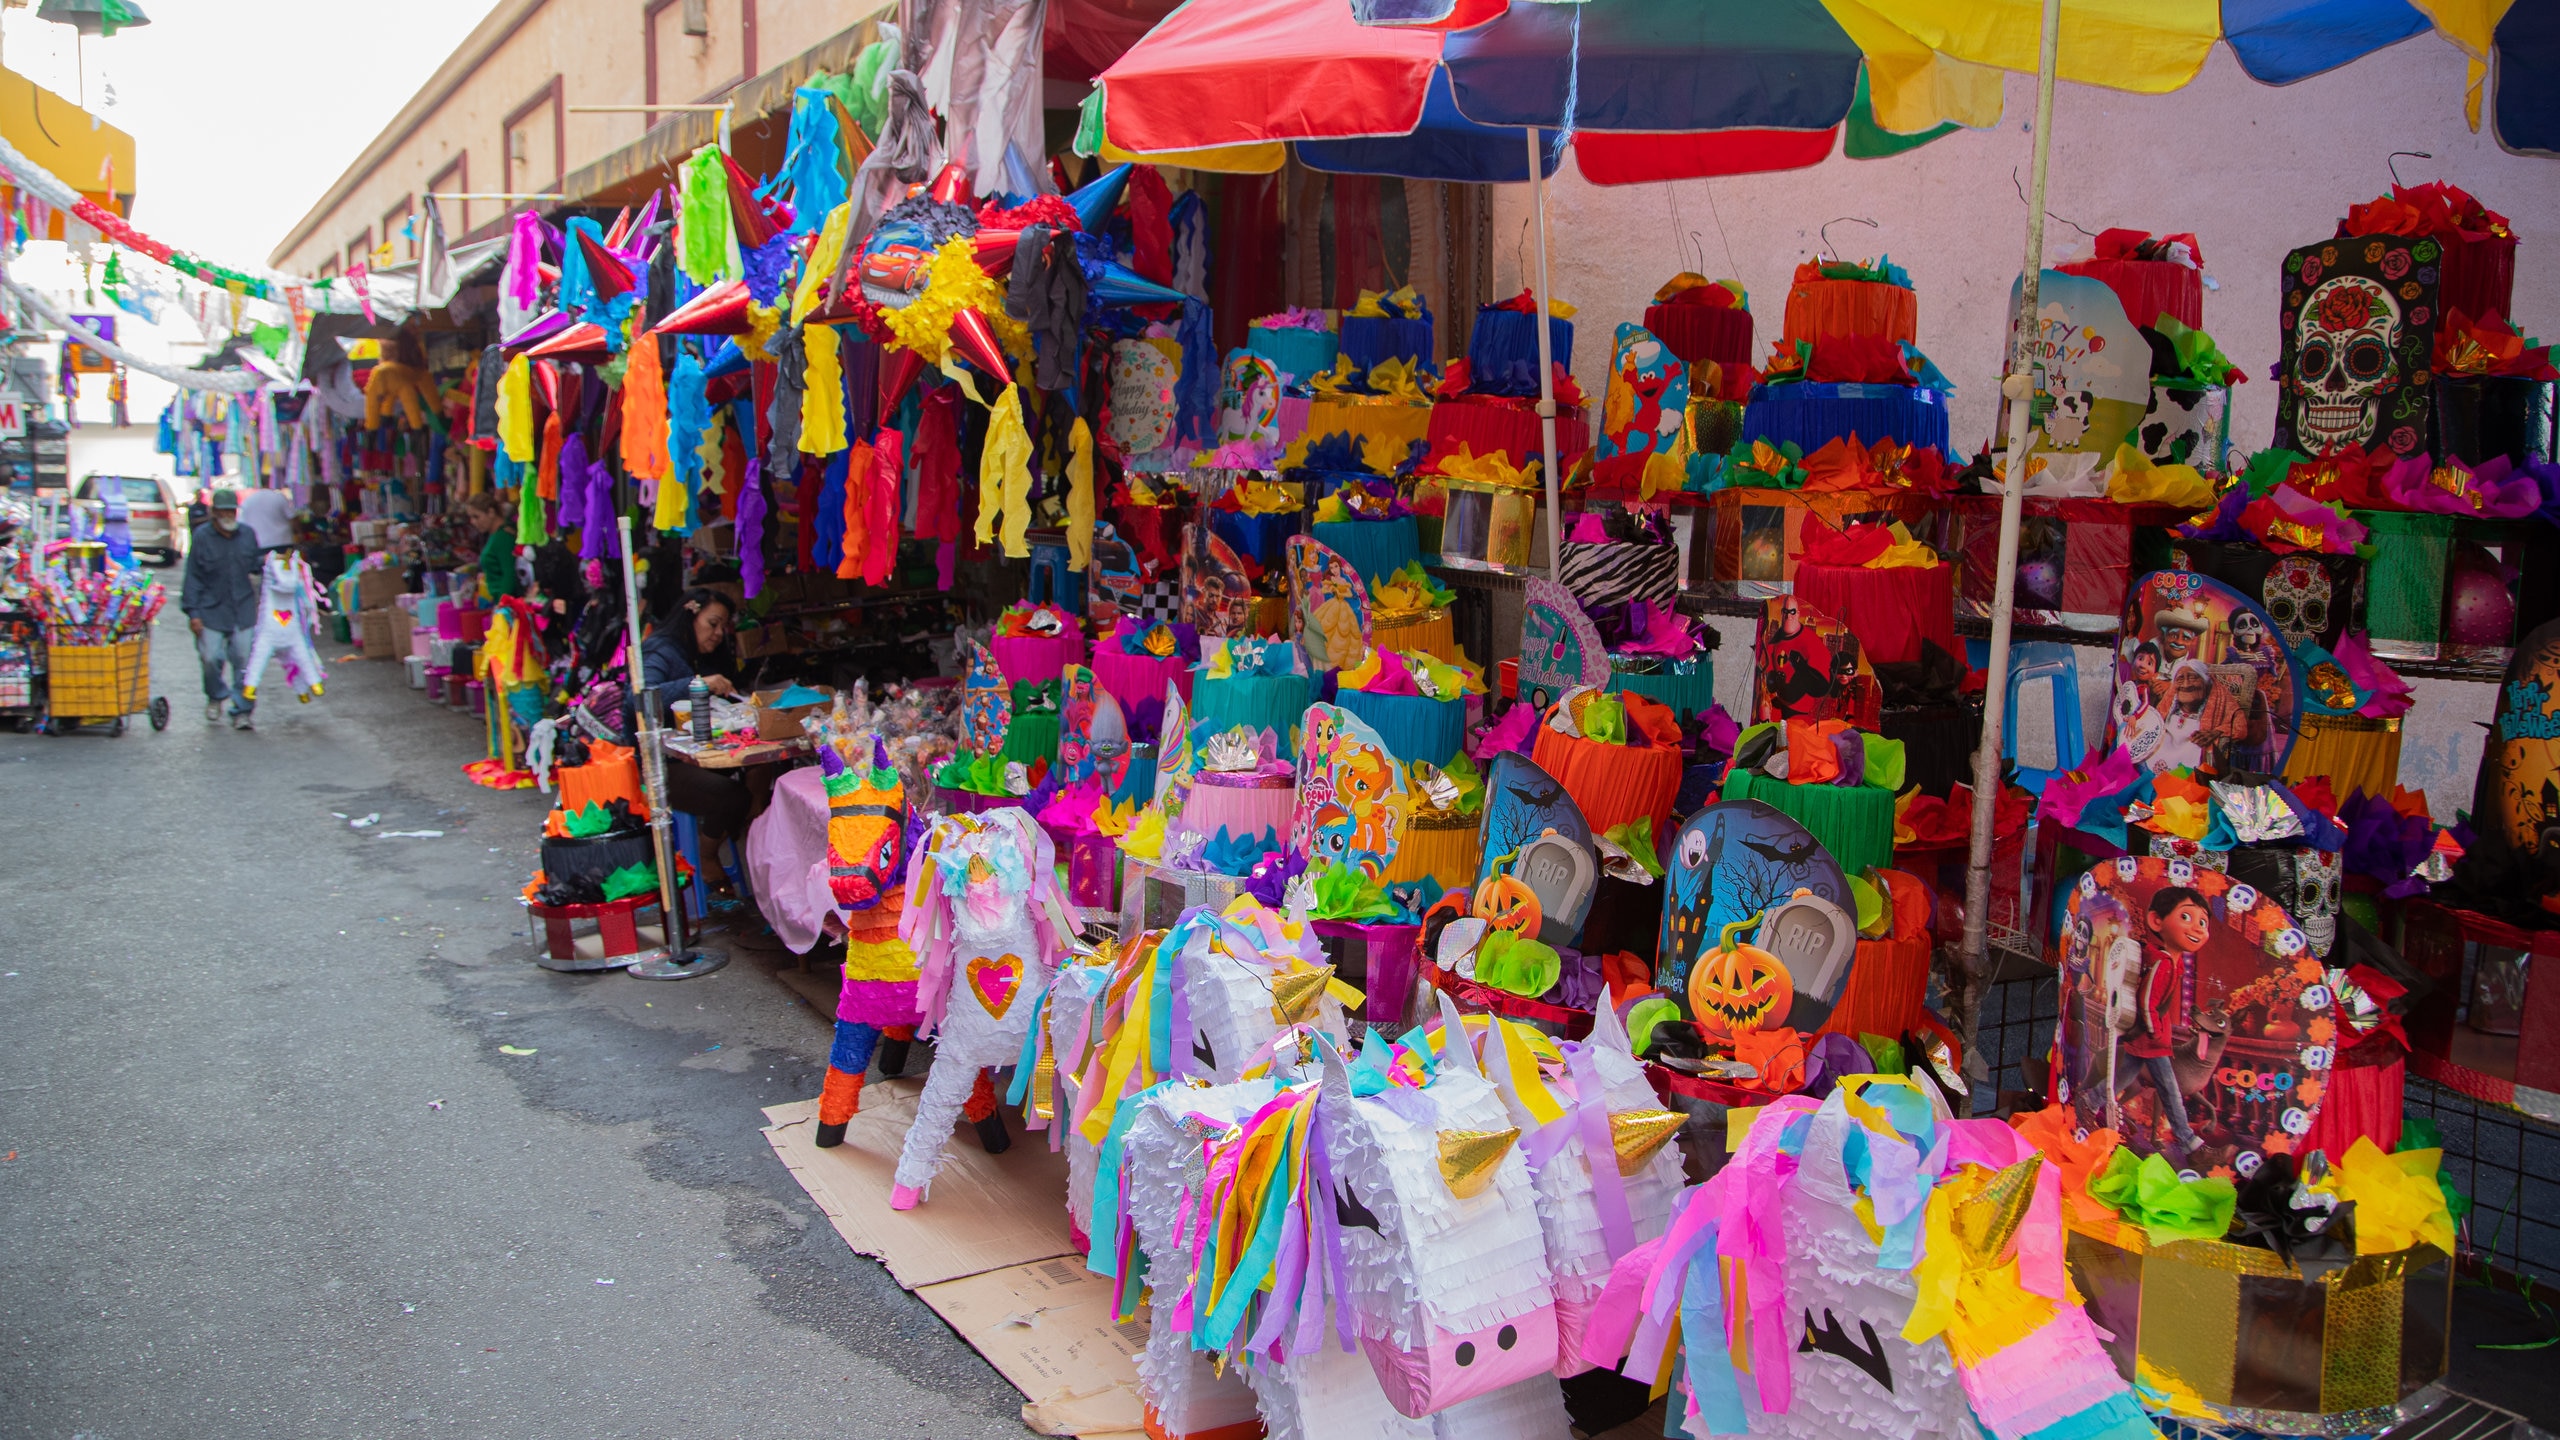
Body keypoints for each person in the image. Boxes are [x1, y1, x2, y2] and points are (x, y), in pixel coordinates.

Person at [641, 588, 751, 891]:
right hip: (658, 764)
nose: (717, 633)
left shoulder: (692, 654)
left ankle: (746, 838)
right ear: (691, 615)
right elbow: (641, 696)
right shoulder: (660, 650)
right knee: (732, 796)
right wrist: (696, 684)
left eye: (722, 627)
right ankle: (706, 857)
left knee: (759, 771)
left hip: (687, 755)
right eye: (712, 623)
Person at [2113, 886, 2210, 1158]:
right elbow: (2147, 1000)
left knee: (2125, 1076)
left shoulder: (2172, 962)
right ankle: (2188, 1140)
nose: (2198, 928)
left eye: (2203, 922)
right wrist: (2155, 1031)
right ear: (2157, 921)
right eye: (2187, 918)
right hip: (2152, 1039)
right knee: (2169, 1089)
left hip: (2153, 1037)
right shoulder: (2163, 962)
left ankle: (2093, 1100)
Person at [181, 489, 266, 730]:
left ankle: (242, 710)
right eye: (224, 511)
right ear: (214, 513)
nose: (229, 515)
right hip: (210, 608)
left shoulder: (247, 535)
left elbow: (256, 566)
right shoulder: (202, 537)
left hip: (242, 608)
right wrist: (193, 613)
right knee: (210, 658)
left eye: (232, 510)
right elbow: (193, 577)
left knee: (244, 661)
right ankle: (216, 695)